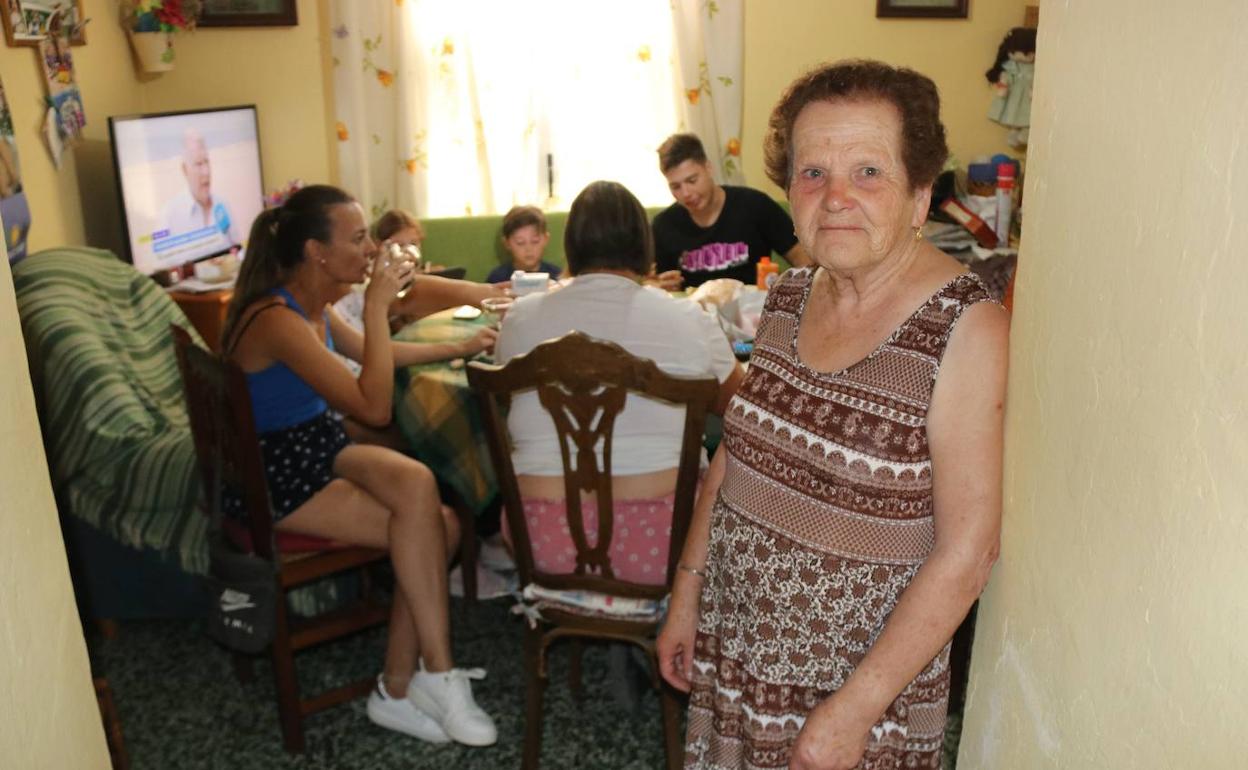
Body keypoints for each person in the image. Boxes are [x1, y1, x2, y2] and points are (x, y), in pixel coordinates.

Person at [657, 60, 1008, 770]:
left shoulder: (966, 327)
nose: (836, 196)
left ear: (919, 196)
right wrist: (687, 594)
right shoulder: (785, 298)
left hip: (852, 686)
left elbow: (968, 552)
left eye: (868, 172)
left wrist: (852, 710)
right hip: (738, 643)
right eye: (812, 173)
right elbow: (734, 459)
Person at [219, 185, 498, 748]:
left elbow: (373, 356)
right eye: (357, 238)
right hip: (278, 479)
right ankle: (422, 680)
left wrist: (455, 347)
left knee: (419, 485)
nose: (371, 247)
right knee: (435, 526)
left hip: (314, 446)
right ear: (317, 253)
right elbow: (373, 404)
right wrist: (376, 303)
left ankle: (404, 687)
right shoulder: (277, 321)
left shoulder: (305, 305)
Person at [495, 180, 744, 585]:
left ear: (570, 246)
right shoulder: (689, 320)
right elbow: (742, 410)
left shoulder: (520, 318)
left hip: (540, 537)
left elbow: (511, 406)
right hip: (666, 541)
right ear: (643, 245)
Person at [650, 133, 810, 291]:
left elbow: (801, 257)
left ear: (708, 168)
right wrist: (658, 286)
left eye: (692, 180)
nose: (686, 193)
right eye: (675, 186)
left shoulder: (755, 205)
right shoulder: (663, 226)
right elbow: (660, 286)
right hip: (693, 314)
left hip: (754, 310)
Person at [162, 129, 240, 252]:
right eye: (198, 164)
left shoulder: (223, 205)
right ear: (185, 169)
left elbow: (238, 250)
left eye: (207, 162)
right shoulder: (170, 215)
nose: (207, 172)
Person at [485, 205, 562, 284]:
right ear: (507, 243)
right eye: (520, 243)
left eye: (535, 241)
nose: (529, 249)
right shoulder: (498, 279)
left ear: (546, 239)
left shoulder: (557, 276)